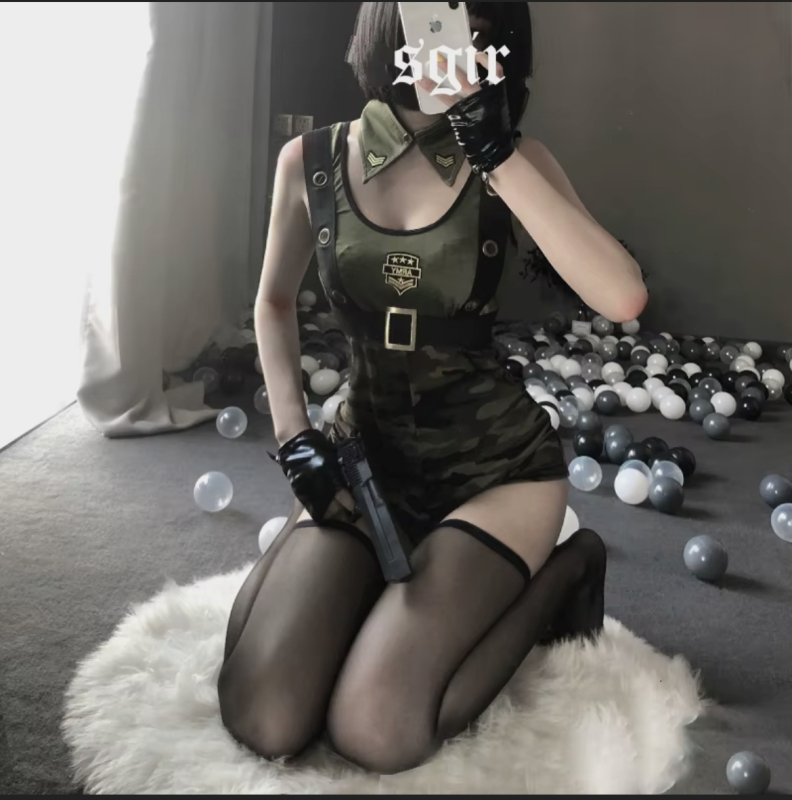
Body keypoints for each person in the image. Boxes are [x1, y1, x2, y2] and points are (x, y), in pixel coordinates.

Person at [218, 1, 648, 775]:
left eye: (481, 26)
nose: (455, 39)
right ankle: (368, 588)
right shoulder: (310, 160)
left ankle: (566, 572)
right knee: (264, 713)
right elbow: (273, 304)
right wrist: (294, 438)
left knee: (377, 730)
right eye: (438, 15)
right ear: (391, 22)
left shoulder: (515, 159)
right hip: (365, 462)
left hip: (495, 473)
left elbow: (622, 297)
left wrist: (498, 153)